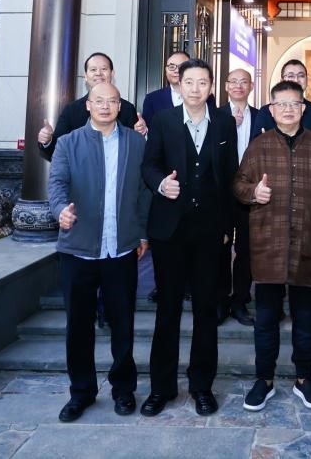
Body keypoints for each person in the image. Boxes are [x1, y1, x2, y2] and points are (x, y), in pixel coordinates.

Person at [233, 80, 311, 413]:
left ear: (303, 108)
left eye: (294, 104)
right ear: (271, 109)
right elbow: (238, 184)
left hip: (308, 242)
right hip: (268, 242)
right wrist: (254, 193)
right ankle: (264, 380)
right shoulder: (259, 146)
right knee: (266, 318)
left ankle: (304, 379)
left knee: (305, 317)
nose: (288, 110)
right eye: (281, 104)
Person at [46, 82, 151, 422]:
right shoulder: (68, 142)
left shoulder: (136, 143)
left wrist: (142, 232)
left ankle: (123, 390)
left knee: (123, 324)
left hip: (120, 249)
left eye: (112, 101)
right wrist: (60, 211)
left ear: (120, 106)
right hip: (78, 249)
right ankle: (81, 393)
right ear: (88, 105)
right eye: (99, 100)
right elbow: (57, 184)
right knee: (79, 326)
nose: (106, 106)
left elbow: (144, 192)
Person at [140, 59, 238, 418]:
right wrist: (160, 184)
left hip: (209, 231)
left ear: (211, 87)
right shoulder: (164, 121)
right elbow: (149, 165)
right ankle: (161, 388)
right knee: (167, 310)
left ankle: (201, 387)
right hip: (169, 231)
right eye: (189, 82)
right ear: (179, 86)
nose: (196, 89)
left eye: (203, 82)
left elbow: (230, 175)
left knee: (205, 311)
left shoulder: (224, 122)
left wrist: (228, 228)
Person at [38, 52, 146, 160]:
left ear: (112, 74)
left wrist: (139, 133)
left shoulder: (127, 109)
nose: (98, 73)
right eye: (93, 70)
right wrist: (48, 141)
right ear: (85, 76)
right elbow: (58, 151)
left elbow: (136, 152)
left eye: (104, 69)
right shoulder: (72, 110)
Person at [219, 67, 256, 326]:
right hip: (221, 192)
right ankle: (220, 300)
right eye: (233, 81)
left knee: (247, 249)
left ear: (251, 86)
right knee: (219, 248)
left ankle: (240, 301)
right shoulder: (214, 115)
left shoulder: (263, 116)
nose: (239, 86)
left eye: (244, 82)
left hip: (250, 191)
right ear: (226, 86)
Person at [252, 59, 311, 138]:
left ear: (307, 80)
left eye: (301, 76)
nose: (296, 80)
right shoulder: (266, 112)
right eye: (291, 76)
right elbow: (255, 143)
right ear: (282, 80)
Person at [141, 50, 190, 127]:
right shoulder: (152, 99)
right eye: (172, 67)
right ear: (166, 70)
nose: (176, 70)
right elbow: (149, 129)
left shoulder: (204, 97)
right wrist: (143, 130)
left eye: (182, 67)